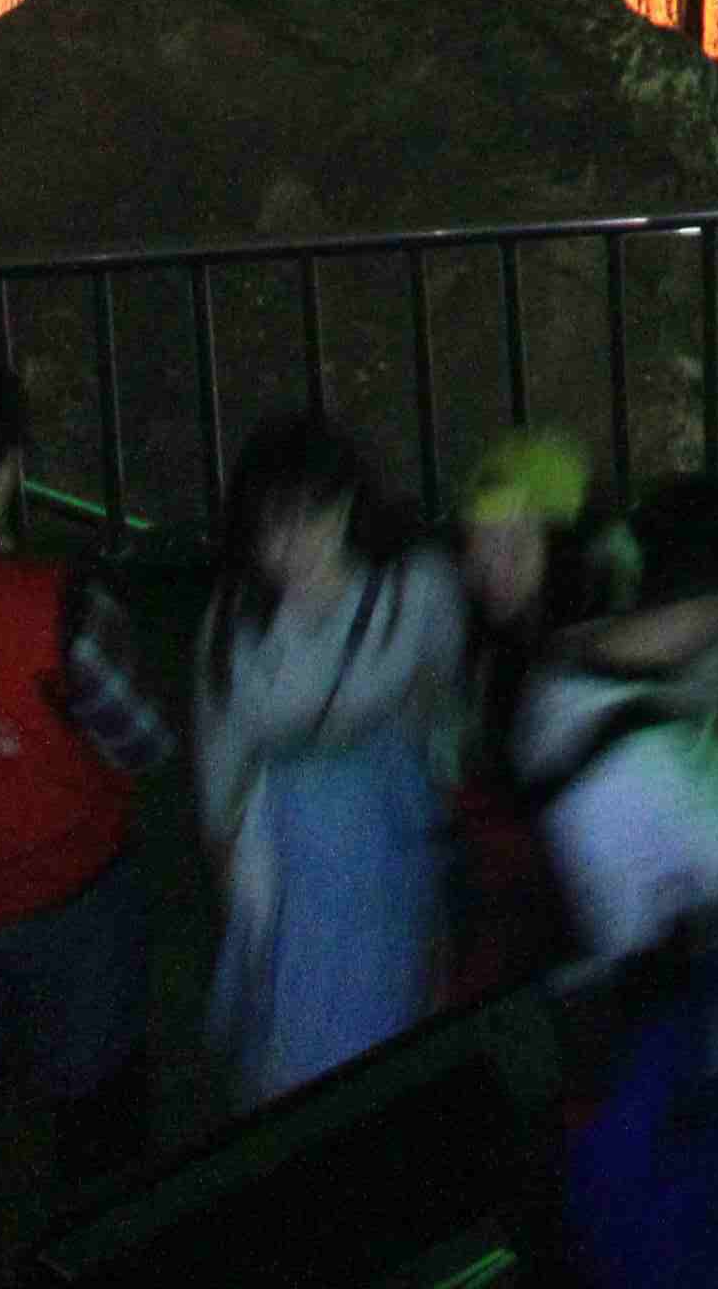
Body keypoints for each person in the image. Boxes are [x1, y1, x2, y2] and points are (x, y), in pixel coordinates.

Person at [512, 476, 718, 1289]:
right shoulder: (647, 764)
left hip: (595, 1030)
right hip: (646, 1071)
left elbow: (664, 692)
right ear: (715, 601)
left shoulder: (565, 666)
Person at [0, 360, 169, 1265]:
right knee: (99, 1119)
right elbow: (144, 743)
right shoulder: (61, 605)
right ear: (5, 470)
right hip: (73, 901)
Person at [192, 414, 464, 1106]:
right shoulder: (235, 622)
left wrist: (443, 836)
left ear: (348, 506)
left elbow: (443, 715)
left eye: (312, 518)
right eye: (273, 528)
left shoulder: (416, 589)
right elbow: (220, 769)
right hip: (292, 871)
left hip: (390, 848)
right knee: (299, 1045)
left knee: (393, 1014)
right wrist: (243, 911)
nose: (293, 546)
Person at [453, 427, 633, 997]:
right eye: (477, 546)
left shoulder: (605, 655)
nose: (488, 567)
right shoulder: (498, 655)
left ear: (563, 544)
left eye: (512, 544)